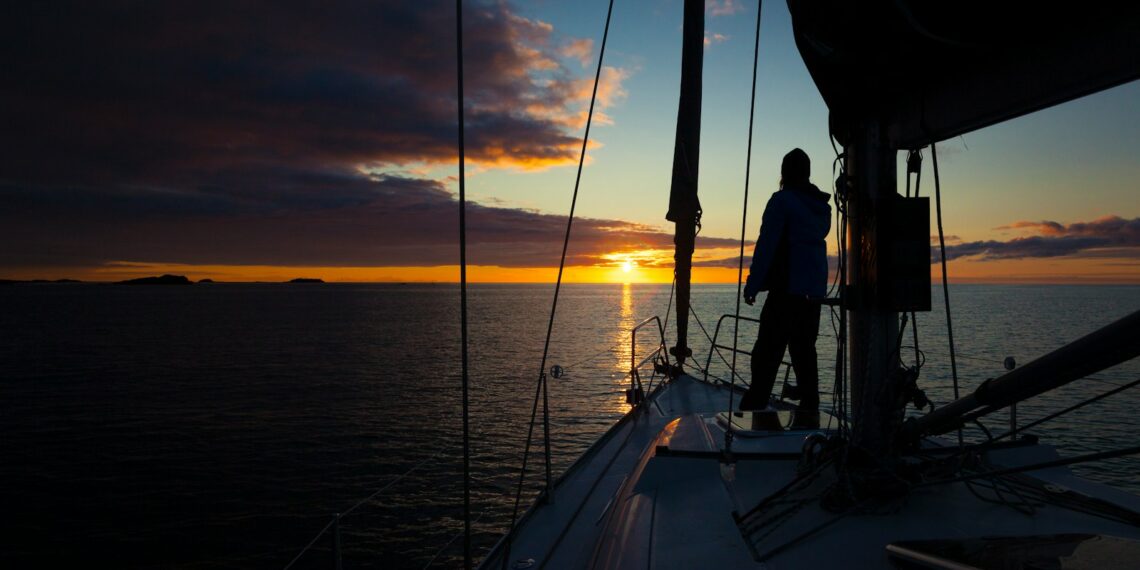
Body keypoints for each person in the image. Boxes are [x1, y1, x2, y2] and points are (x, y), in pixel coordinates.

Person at [739, 148, 831, 417]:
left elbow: (767, 246)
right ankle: (810, 412)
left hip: (786, 291)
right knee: (804, 353)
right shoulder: (821, 209)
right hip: (812, 294)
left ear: (785, 173)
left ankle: (755, 408)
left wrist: (753, 284)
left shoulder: (782, 202)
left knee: (766, 354)